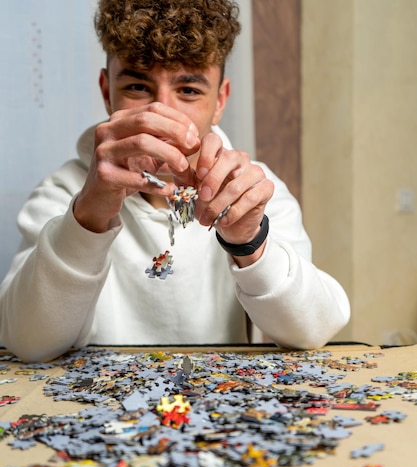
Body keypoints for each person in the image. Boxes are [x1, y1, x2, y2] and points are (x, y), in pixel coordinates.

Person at [0, 0, 350, 363]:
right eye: (137, 86)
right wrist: (86, 221)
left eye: (188, 91)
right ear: (107, 92)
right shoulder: (63, 193)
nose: (161, 113)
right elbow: (29, 343)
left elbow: (312, 331)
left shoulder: (257, 193)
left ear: (220, 100)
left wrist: (250, 242)